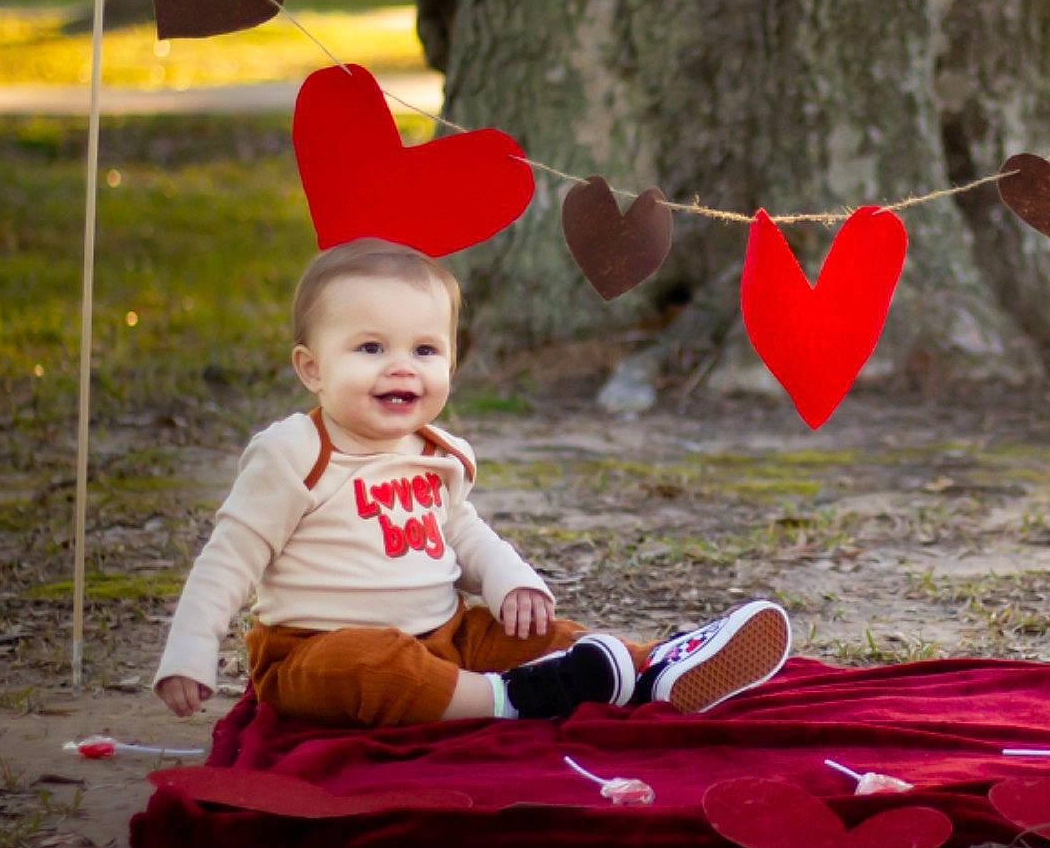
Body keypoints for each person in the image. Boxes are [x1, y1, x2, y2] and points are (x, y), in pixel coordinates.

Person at [153, 237, 790, 729]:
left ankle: (652, 667)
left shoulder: (437, 452)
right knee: (372, 667)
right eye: (371, 348)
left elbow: (463, 532)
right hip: (313, 653)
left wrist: (509, 578)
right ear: (312, 369)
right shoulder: (294, 452)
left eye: (425, 351)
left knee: (535, 633)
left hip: (447, 635)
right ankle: (511, 700)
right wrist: (190, 651)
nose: (401, 366)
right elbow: (228, 561)